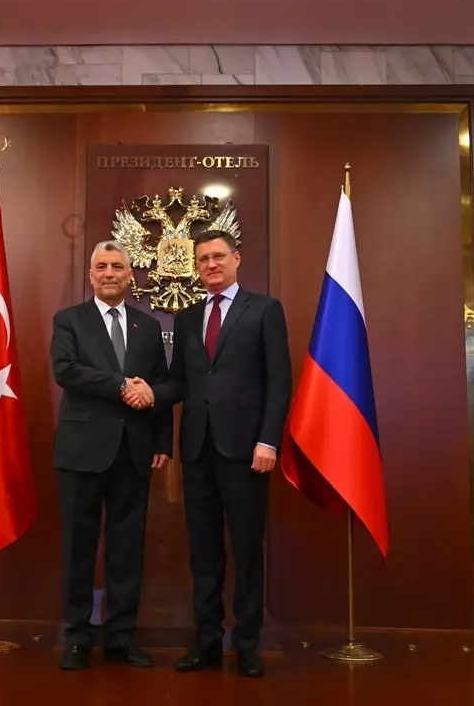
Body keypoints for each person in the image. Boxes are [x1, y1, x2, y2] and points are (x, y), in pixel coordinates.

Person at [136, 229, 292, 678]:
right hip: (198, 450)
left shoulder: (264, 310)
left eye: (218, 256)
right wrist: (151, 392)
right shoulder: (187, 318)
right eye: (203, 259)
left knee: (246, 548)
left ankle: (246, 643)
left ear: (236, 258)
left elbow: (279, 380)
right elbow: (180, 381)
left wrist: (269, 440)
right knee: (203, 551)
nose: (211, 264)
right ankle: (206, 640)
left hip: (247, 451)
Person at [49, 240, 173, 670]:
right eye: (101, 266)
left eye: (117, 267)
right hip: (81, 452)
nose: (109, 273)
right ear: (90, 275)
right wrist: (121, 386)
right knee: (79, 548)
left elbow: (159, 385)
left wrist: (162, 441)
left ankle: (121, 636)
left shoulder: (148, 326)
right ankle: (78, 637)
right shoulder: (69, 320)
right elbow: (66, 371)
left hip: (134, 452)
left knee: (127, 549)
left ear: (130, 275)